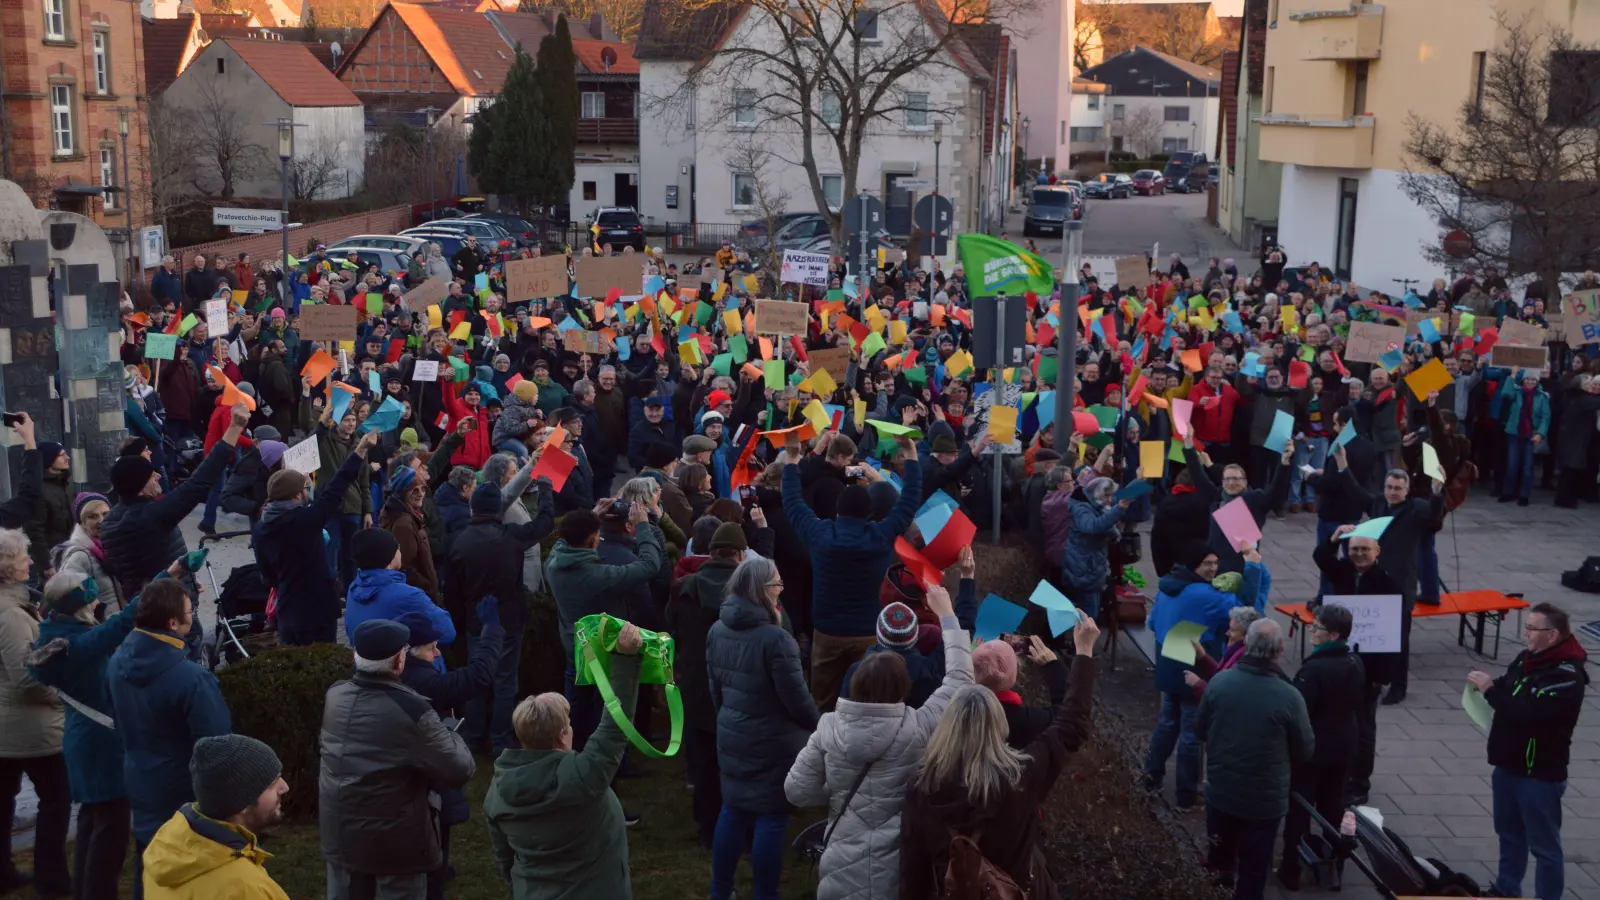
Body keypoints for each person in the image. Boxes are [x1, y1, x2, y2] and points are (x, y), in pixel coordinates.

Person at [783, 583, 972, 900]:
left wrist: (838, 788)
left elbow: (795, 791)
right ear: (903, 687)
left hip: (840, 869)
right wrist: (949, 616)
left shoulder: (829, 728)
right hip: (899, 869)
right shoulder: (918, 727)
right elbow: (960, 678)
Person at [898, 615, 1100, 899]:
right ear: (998, 725)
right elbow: (1071, 725)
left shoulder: (921, 787)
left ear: (947, 723)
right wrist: (1084, 653)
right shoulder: (1021, 776)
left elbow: (913, 873)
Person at [483, 620, 647, 900]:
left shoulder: (496, 793)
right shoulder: (585, 775)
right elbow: (614, 728)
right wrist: (624, 658)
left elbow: (505, 860)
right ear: (562, 736)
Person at [319, 619, 476, 900]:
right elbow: (460, 768)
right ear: (399, 662)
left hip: (340, 832)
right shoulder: (412, 709)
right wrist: (449, 732)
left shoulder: (336, 694)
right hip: (394, 843)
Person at [27, 566, 157, 899]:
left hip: (83, 738)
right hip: (100, 744)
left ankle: (85, 891)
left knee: (91, 822)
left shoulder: (57, 632)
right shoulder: (76, 644)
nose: (97, 598)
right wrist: (162, 582)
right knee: (110, 830)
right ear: (81, 602)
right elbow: (121, 624)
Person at [705, 557, 820, 900]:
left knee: (733, 809)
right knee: (771, 817)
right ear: (761, 591)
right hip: (773, 744)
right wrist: (819, 727)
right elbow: (797, 701)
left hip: (732, 734)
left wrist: (728, 722)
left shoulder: (717, 629)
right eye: (777, 586)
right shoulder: (777, 640)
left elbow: (715, 688)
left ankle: (720, 891)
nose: (781, 591)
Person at [782, 435, 922, 711]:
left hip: (827, 631)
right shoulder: (880, 535)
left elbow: (793, 502)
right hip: (869, 632)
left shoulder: (819, 534)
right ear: (870, 512)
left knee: (822, 700)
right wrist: (912, 455)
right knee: (868, 699)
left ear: (837, 510)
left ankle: (823, 742)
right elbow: (908, 502)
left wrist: (791, 460)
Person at [105, 577, 232, 879]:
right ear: (173, 623)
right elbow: (217, 749)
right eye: (190, 612)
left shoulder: (116, 661)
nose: (193, 617)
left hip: (139, 780)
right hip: (183, 793)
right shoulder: (191, 679)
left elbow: (113, 715)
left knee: (149, 866)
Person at [1470, 602, 1588, 900]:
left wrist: (1491, 692)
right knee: (1509, 835)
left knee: (1545, 847)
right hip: (1508, 765)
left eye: (1532, 629)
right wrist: (1489, 685)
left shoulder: (1566, 676)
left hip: (1539, 774)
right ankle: (1507, 889)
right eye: (1526, 627)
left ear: (1553, 635)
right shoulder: (1528, 658)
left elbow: (1529, 713)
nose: (1526, 635)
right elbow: (1510, 685)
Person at [666, 518, 771, 847]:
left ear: (709, 553)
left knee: (704, 761)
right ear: (741, 555)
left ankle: (709, 827)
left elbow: (670, 630)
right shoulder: (757, 594)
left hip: (697, 686)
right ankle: (746, 826)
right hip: (744, 690)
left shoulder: (683, 589)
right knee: (746, 762)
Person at [1195, 619, 1314, 900]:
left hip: (1222, 791)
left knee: (1219, 859)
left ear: (1246, 645)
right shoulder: (1289, 697)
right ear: (1279, 651)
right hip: (1264, 801)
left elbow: (1200, 729)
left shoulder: (1220, 683)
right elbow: (1304, 750)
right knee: (1254, 869)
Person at [395, 598, 503, 900]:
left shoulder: (398, 675)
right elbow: (477, 676)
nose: (438, 652)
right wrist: (492, 629)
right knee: (432, 833)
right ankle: (434, 876)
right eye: (432, 648)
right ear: (410, 653)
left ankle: (437, 868)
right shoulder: (422, 680)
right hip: (426, 785)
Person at [1144, 544, 1264, 811]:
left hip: (1166, 662)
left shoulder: (1168, 587)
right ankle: (1187, 795)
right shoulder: (1206, 594)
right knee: (1191, 732)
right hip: (1193, 665)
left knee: (1166, 724)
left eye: (1215, 563)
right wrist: (1253, 567)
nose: (1213, 569)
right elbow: (1245, 609)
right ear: (1193, 565)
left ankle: (1151, 777)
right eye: (1207, 564)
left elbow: (1152, 623)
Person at [443, 480, 555, 753]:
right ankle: (501, 740)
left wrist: (457, 625)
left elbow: (451, 592)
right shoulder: (510, 536)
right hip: (508, 620)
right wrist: (546, 490)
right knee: (505, 681)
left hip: (475, 621)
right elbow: (544, 523)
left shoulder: (457, 541)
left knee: (476, 679)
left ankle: (473, 737)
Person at [103, 403, 247, 598]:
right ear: (139, 486)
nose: (158, 476)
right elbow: (199, 482)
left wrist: (185, 577)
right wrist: (235, 428)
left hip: (150, 600)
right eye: (150, 475)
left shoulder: (112, 520)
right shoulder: (149, 516)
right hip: (170, 606)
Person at [1334, 456, 1443, 704]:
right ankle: (1372, 679)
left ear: (1407, 490)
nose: (1392, 492)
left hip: (1400, 583)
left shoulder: (1417, 508)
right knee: (1372, 633)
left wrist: (1437, 492)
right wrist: (1342, 466)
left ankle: (1399, 686)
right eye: (1389, 487)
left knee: (1400, 639)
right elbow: (1356, 493)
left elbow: (1434, 518)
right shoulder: (1378, 504)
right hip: (1375, 581)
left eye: (1398, 488)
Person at [253, 431, 379, 645]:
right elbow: (335, 489)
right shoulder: (304, 520)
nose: (307, 490)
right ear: (295, 495)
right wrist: (360, 450)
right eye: (304, 488)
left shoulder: (261, 526)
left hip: (287, 608)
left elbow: (267, 575)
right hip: (316, 609)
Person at [0, 527, 69, 897]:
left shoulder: (12, 606)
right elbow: (28, 678)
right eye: (24, 556)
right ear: (9, 566)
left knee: (4, 800)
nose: (30, 560)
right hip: (29, 727)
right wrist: (62, 695)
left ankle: (6, 872)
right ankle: (52, 878)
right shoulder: (10, 614)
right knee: (57, 800)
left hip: (10, 726)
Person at [1277, 603, 1364, 891]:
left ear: (1335, 635)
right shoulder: (1355, 662)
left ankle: (1291, 868)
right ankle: (1334, 869)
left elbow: (1299, 712)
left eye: (1318, 628)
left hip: (1313, 752)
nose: (1312, 632)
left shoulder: (1313, 669)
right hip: (1344, 747)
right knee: (1332, 808)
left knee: (1300, 810)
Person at [139, 734, 290, 900]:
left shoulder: (165, 848)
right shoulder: (247, 889)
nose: (285, 787)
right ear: (243, 803)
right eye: (271, 784)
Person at [345, 528, 455, 645]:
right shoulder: (407, 595)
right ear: (389, 556)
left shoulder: (354, 588)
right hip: (403, 661)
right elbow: (447, 632)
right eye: (397, 548)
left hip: (366, 661)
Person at [1059, 476, 1129, 620]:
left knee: (1091, 612)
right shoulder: (1081, 509)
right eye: (1106, 496)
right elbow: (1093, 526)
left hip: (1089, 569)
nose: (1110, 500)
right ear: (1096, 494)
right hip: (1084, 570)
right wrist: (1119, 509)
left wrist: (1139, 481)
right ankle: (1081, 642)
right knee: (1088, 616)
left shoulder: (1094, 504)